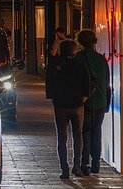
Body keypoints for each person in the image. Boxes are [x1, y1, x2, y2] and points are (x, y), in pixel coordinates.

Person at [44, 39, 90, 179]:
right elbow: (87, 80)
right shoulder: (80, 63)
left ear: (61, 49)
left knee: (62, 137)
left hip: (60, 104)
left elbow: (49, 81)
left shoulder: (54, 63)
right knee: (78, 135)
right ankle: (77, 166)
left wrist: (52, 96)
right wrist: (84, 96)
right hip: (77, 104)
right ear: (74, 50)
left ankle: (64, 168)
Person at [75, 29, 109, 175]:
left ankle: (85, 164)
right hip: (101, 100)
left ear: (80, 41)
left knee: (85, 132)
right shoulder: (101, 59)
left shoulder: (79, 57)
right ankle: (96, 163)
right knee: (97, 131)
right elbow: (107, 81)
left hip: (85, 100)